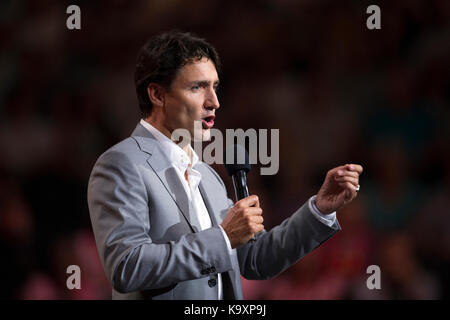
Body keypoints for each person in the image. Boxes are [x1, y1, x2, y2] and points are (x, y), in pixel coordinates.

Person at [87, 30, 363, 300]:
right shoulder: (121, 164)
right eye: (197, 87)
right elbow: (127, 267)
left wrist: (319, 210)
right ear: (157, 95)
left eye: (215, 87)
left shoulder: (208, 176)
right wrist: (222, 237)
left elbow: (256, 259)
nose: (214, 102)